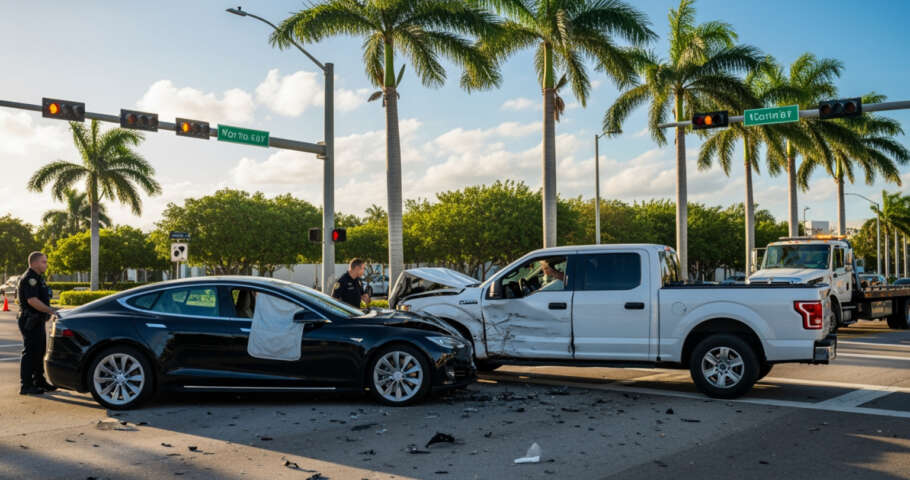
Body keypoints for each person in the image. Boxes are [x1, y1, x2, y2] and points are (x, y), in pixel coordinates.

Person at [17, 252, 58, 395]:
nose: (46, 264)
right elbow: (32, 300)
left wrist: (47, 312)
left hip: (37, 320)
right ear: (34, 263)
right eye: (43, 262)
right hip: (30, 320)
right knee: (30, 352)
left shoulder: (38, 278)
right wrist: (51, 310)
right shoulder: (30, 278)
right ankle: (26, 385)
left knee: (39, 351)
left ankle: (39, 381)